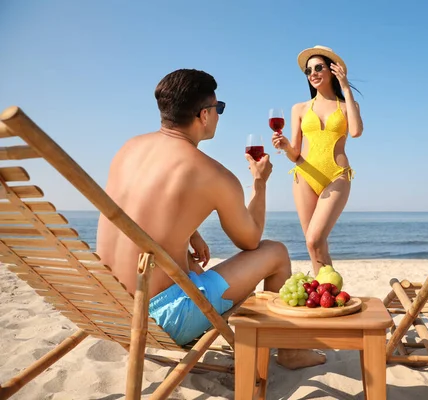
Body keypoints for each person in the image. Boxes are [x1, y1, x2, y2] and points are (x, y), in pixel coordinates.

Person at [96, 68, 325, 370]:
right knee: (276, 252)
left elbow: (143, 206)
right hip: (163, 318)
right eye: (219, 108)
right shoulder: (213, 174)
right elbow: (250, 240)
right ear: (204, 115)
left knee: (190, 265)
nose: (219, 115)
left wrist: (191, 234)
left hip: (108, 304)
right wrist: (259, 184)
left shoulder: (128, 149)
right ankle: (290, 352)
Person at [272, 45, 363, 275]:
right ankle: (327, 294)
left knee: (314, 239)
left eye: (318, 67)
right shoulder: (299, 108)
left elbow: (356, 131)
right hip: (304, 176)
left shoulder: (347, 106)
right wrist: (285, 146)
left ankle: (328, 290)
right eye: (308, 70)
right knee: (314, 245)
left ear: (333, 70)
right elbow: (295, 154)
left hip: (337, 176)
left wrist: (346, 87)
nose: (312, 73)